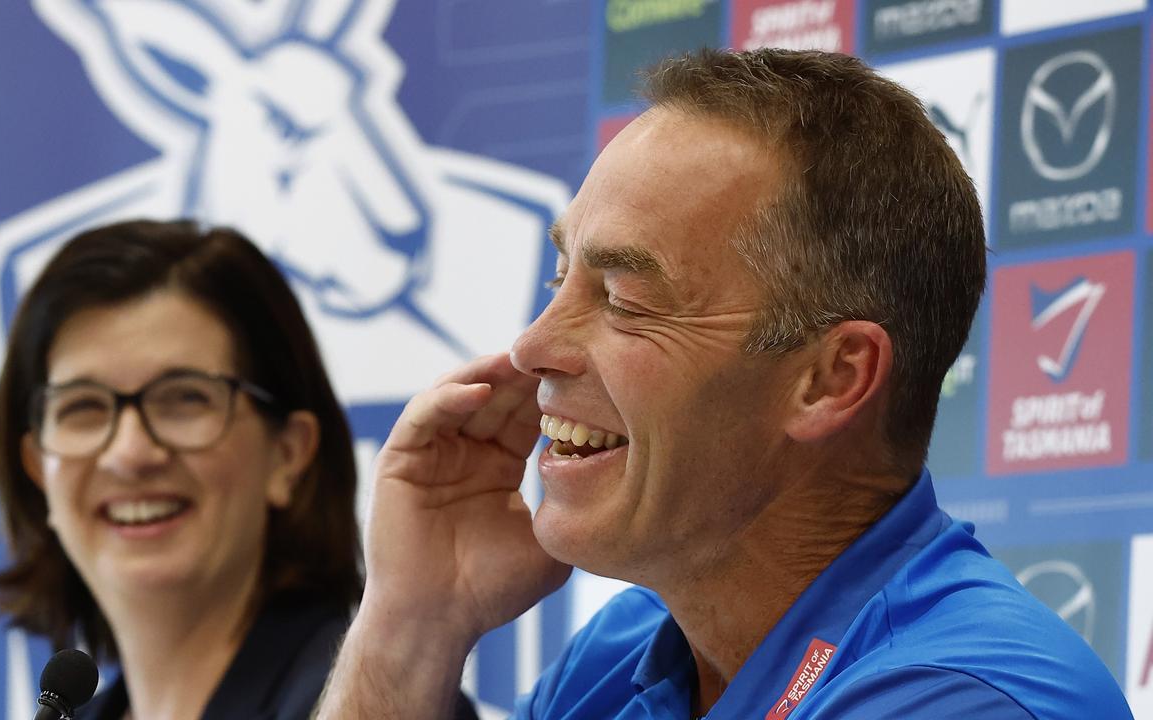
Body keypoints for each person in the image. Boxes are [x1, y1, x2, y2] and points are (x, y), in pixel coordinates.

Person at [315, 49, 1134, 719]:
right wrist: (410, 626)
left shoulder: (962, 700)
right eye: (558, 279)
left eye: (626, 300)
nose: (532, 348)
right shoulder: (625, 651)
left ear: (830, 379)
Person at [0, 220, 365, 719]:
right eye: (82, 407)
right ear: (38, 470)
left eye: (184, 398)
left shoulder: (380, 705)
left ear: (287, 455)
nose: (130, 452)